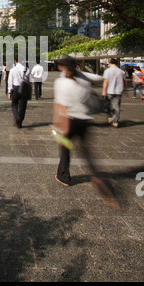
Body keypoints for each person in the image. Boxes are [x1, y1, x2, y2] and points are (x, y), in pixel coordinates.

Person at [53, 56, 119, 208]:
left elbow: (60, 106)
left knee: (65, 148)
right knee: (86, 153)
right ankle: (96, 176)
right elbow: (100, 79)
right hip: (84, 121)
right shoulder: (83, 77)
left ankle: (64, 176)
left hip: (68, 120)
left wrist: (57, 124)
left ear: (63, 67)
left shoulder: (61, 82)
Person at [102, 58, 127, 127]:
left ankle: (112, 117)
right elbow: (124, 82)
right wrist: (125, 89)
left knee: (107, 105)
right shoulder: (121, 71)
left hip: (109, 91)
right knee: (117, 106)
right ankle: (115, 121)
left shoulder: (107, 71)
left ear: (110, 63)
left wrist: (104, 91)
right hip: (118, 91)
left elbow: (105, 82)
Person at [8, 57, 30, 128]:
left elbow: (10, 81)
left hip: (15, 88)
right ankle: (20, 121)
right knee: (22, 106)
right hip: (24, 88)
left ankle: (17, 117)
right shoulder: (27, 69)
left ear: (15, 61)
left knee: (14, 104)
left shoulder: (12, 70)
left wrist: (9, 91)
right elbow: (28, 81)